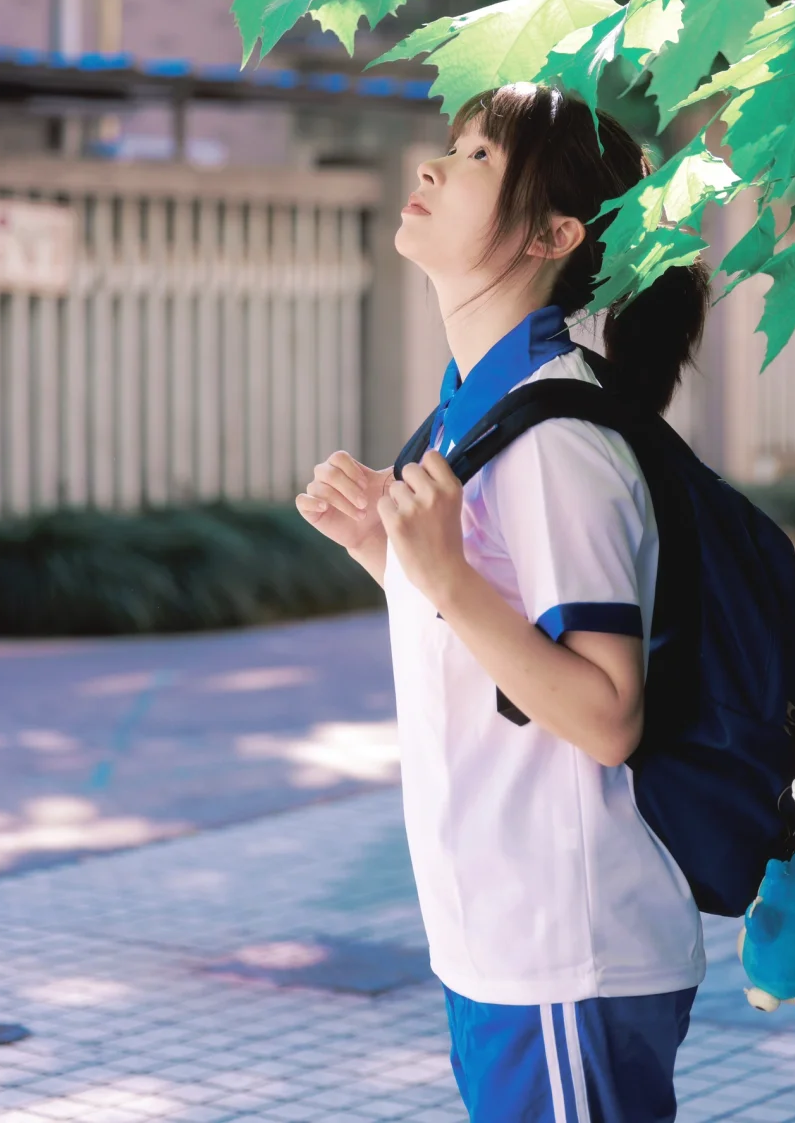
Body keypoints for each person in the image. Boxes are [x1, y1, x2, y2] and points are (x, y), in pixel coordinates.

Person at [297, 83, 713, 1123]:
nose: (431, 166)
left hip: (564, 947)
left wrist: (442, 574)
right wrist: (387, 553)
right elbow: (499, 645)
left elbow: (605, 713)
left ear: (553, 234)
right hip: (506, 940)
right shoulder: (481, 411)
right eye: (453, 146)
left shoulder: (557, 441)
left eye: (479, 156)